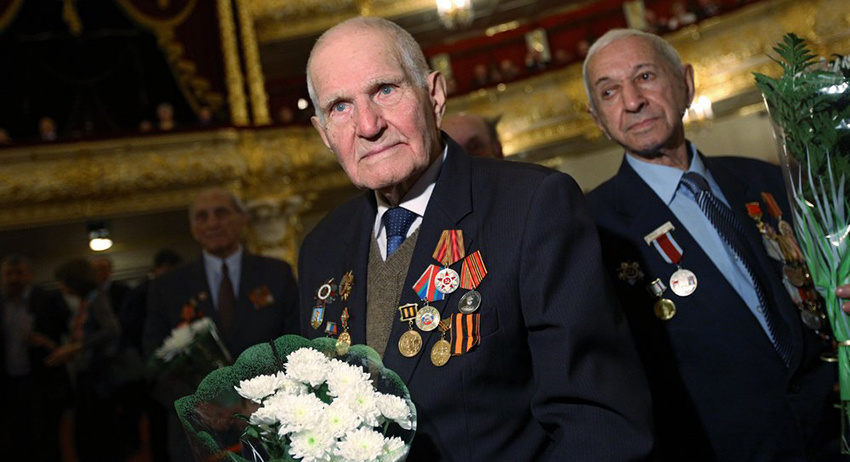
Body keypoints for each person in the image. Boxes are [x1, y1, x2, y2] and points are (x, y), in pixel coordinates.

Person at [299, 17, 653, 461]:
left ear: (434, 95)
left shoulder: (533, 205)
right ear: (324, 134)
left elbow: (599, 422)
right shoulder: (321, 246)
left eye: (385, 90)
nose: (368, 125)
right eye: (340, 107)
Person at [583, 29, 836, 461]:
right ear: (597, 118)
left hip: (830, 433)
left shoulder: (768, 180)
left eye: (645, 77)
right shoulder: (592, 227)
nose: (632, 101)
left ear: (686, 83)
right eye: (610, 92)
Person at [143, 187, 300, 461]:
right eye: (202, 217)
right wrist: (202, 407)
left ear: (242, 220)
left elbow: (296, 346)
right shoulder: (167, 287)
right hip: (198, 437)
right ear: (193, 229)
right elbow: (153, 359)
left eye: (221, 213)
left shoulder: (277, 274)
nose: (212, 222)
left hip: (271, 425)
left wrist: (261, 399)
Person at [48, 258, 123, 462]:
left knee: (97, 436)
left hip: (97, 377)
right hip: (89, 376)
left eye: (64, 281)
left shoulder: (95, 298)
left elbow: (112, 329)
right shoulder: (86, 300)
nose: (61, 286)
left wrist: (77, 347)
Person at [1, 255, 70, 462]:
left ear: (30, 275)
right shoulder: (2, 304)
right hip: (10, 383)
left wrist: (47, 343)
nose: (14, 279)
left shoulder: (49, 299)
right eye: (8, 274)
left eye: (19, 273)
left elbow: (69, 336)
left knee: (46, 438)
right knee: (15, 438)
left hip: (43, 380)